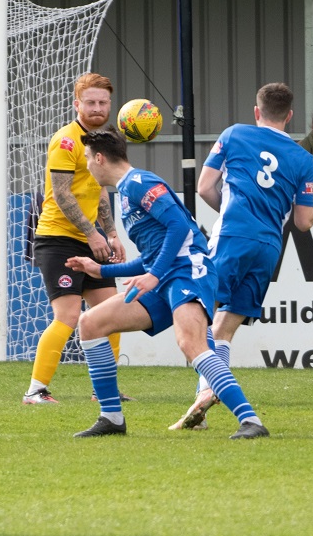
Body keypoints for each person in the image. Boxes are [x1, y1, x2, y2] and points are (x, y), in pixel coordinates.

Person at [65, 126, 269, 439]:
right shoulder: (125, 193)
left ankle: (251, 421)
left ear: (101, 159)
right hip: (165, 278)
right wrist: (101, 271)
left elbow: (179, 228)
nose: (88, 166)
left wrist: (154, 275)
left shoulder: (139, 182)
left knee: (191, 344)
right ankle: (111, 418)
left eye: (89, 159)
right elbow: (152, 256)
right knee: (90, 324)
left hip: (188, 271)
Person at [180, 82, 313, 430]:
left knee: (201, 321)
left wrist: (230, 213)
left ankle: (206, 389)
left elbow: (204, 187)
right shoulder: (303, 159)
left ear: (257, 112)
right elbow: (304, 222)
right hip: (268, 247)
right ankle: (207, 399)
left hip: (232, 235)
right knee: (226, 330)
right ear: (289, 116)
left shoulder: (234, 135)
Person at [22, 72, 128, 405]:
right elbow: (62, 194)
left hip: (92, 237)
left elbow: (99, 191)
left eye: (103, 102)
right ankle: (35, 390)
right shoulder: (66, 139)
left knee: (112, 312)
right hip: (57, 238)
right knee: (68, 316)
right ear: (76, 103)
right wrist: (93, 233)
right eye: (90, 102)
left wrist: (111, 233)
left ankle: (104, 391)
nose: (97, 108)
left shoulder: (105, 138)